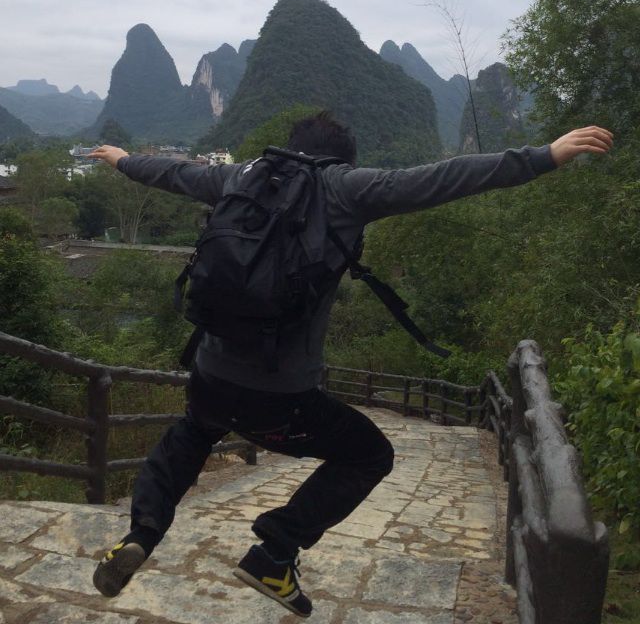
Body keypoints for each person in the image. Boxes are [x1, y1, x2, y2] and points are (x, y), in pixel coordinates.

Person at [88, 115, 613, 618]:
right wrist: (544, 156)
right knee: (369, 455)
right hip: (281, 397)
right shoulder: (345, 187)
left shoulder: (240, 176)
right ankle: (275, 550)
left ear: (292, 145)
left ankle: (141, 534)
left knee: (191, 434)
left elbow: (173, 173)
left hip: (210, 373)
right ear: (341, 158)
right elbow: (444, 178)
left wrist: (122, 159)